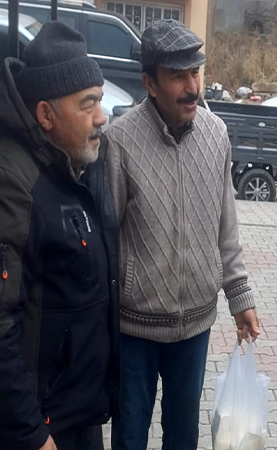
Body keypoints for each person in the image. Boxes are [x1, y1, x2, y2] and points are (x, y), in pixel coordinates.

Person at [0, 22, 119, 450]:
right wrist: (32, 435)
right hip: (35, 431)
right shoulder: (4, 186)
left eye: (100, 100)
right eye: (87, 104)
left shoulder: (67, 164)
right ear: (45, 115)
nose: (101, 116)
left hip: (75, 415)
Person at [105, 20, 261, 450]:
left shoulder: (217, 134)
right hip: (135, 329)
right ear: (149, 84)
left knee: (182, 437)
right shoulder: (119, 142)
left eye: (195, 72)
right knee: (129, 436)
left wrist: (240, 298)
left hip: (195, 325)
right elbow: (106, 238)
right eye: (177, 76)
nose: (192, 87)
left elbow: (225, 225)